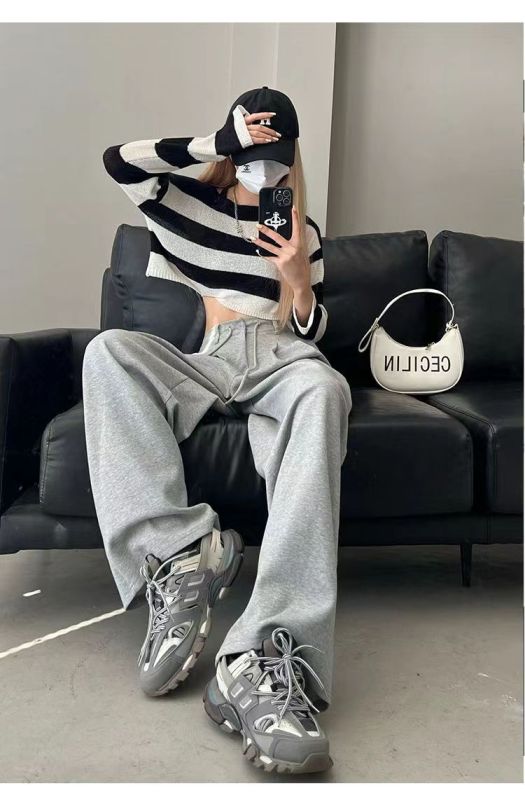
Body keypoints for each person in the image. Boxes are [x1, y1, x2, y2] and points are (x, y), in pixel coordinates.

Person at [82, 85, 353, 775]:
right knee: (108, 352)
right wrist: (215, 144)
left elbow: (312, 333)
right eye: (254, 153)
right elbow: (118, 161)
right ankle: (180, 558)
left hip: (278, 354)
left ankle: (265, 651)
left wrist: (298, 281)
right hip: (204, 358)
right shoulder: (183, 204)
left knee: (324, 388)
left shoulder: (301, 229)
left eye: (278, 156)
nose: (267, 169)